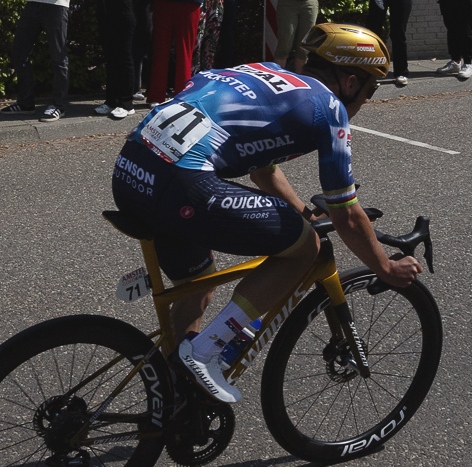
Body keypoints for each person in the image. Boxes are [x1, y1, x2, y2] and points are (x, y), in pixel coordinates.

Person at [111, 23, 421, 403]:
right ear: (352, 83)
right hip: (181, 187)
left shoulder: (266, 74)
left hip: (131, 171)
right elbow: (348, 215)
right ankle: (205, 352)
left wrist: (303, 213)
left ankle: (172, 391)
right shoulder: (329, 107)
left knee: (200, 284)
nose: (363, 103)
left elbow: (265, 169)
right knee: (306, 250)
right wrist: (386, 268)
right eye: (370, 91)